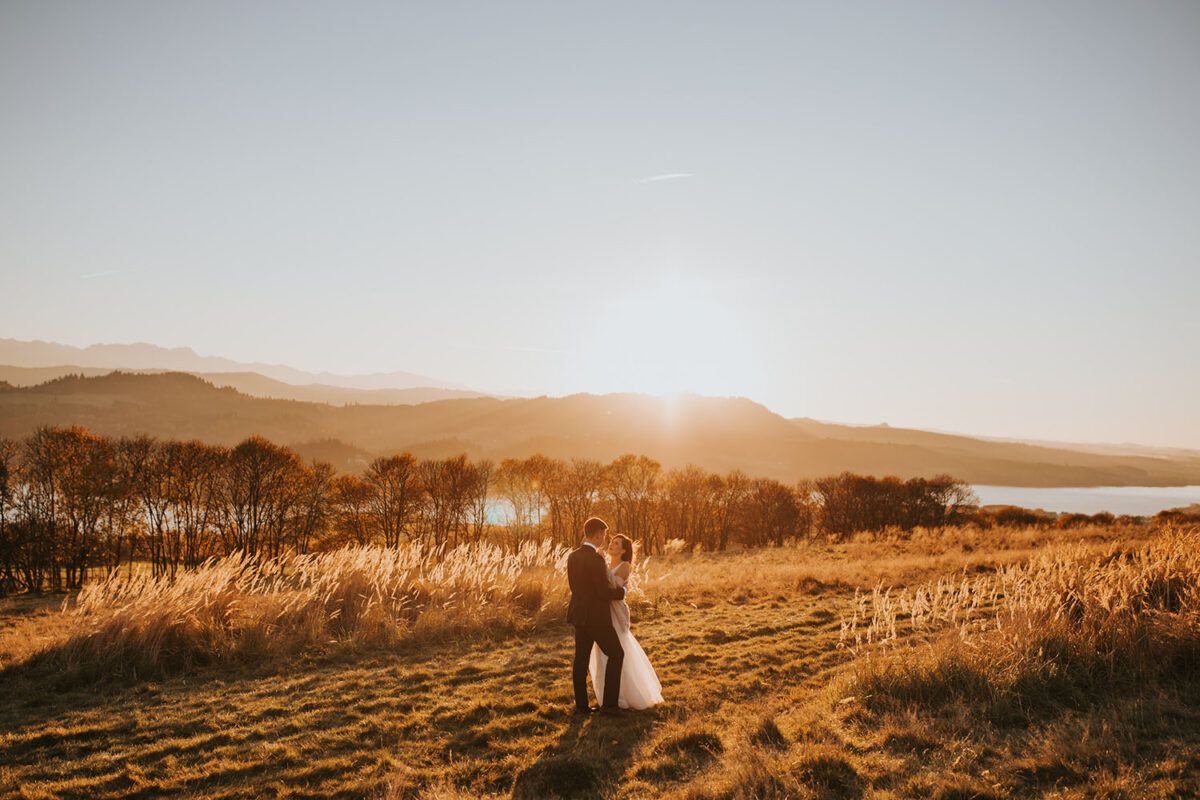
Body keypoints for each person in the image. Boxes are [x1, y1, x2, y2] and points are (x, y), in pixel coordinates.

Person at [589, 534, 663, 710]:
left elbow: (614, 585)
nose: (611, 545)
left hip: (616, 611)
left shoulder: (625, 566)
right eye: (612, 542)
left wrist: (602, 564)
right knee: (603, 653)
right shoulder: (606, 563)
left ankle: (625, 695)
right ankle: (608, 697)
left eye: (616, 544)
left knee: (619, 649)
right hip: (602, 612)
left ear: (623, 550)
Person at [566, 516, 626, 714]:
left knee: (581, 661)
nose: (604, 538)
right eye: (604, 534)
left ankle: (581, 707)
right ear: (598, 534)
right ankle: (609, 706)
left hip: (579, 614)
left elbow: (574, 587)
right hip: (597, 617)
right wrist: (622, 593)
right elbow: (602, 592)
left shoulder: (573, 556)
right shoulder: (596, 558)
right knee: (616, 654)